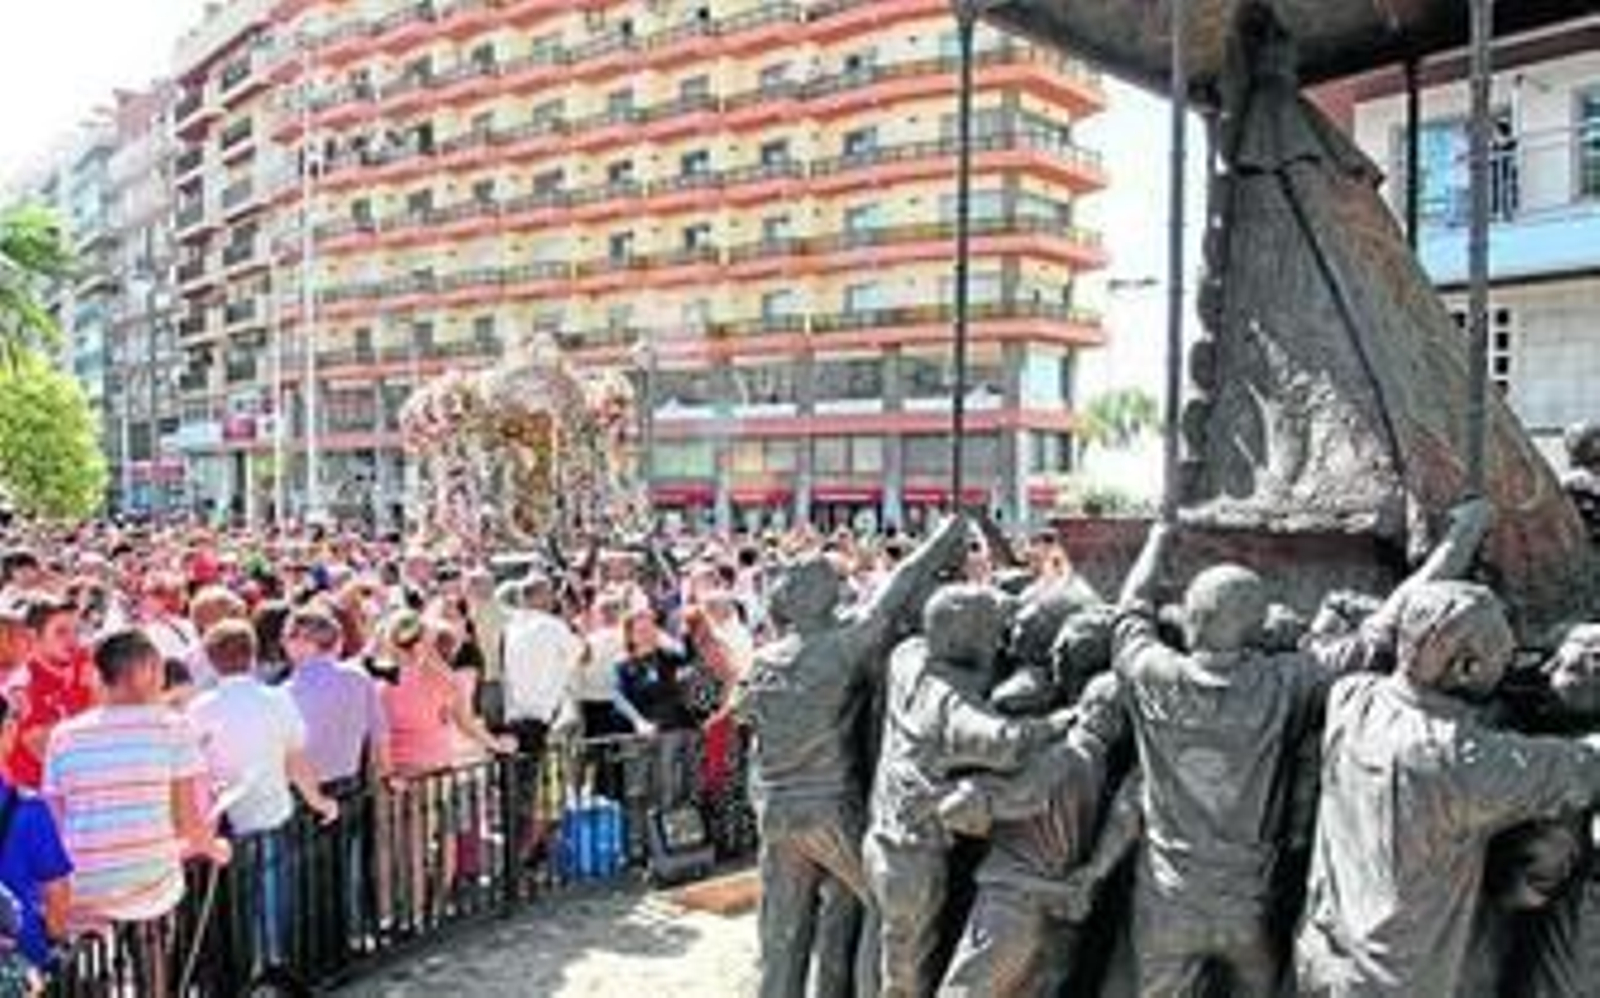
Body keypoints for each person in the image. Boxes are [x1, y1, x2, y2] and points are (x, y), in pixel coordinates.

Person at [1111, 499, 1493, 998]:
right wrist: (1457, 541)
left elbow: (1130, 606)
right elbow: (1391, 621)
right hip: (1248, 907)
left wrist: (1158, 538)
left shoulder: (1150, 674)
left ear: (1188, 619)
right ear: (1255, 627)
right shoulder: (1285, 683)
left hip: (1165, 905)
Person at [1295, 583, 1600, 997]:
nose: (1523, 668)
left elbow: (1386, 632)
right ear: (1466, 668)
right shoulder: (1459, 761)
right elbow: (1582, 767)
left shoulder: (1353, 698)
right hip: (1396, 983)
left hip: (1322, 955)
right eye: (1504, 658)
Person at [741, 514, 969, 998]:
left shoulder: (763, 661)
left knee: (782, 934)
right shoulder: (840, 648)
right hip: (829, 808)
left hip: (776, 812)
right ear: (823, 598)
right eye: (836, 585)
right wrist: (942, 539)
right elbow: (897, 589)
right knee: (883, 906)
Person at [42, 629, 228, 996]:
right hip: (148, 881)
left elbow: (56, 819)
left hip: (83, 883)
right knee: (153, 951)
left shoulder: (63, 734)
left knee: (92, 967)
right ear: (152, 670)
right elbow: (187, 822)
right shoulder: (172, 727)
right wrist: (214, 848)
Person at [188, 620, 337, 972]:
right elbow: (296, 760)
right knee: (270, 900)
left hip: (224, 823)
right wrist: (319, 802)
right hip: (269, 813)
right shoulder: (276, 700)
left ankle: (244, 974)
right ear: (252, 655)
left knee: (234, 906)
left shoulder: (199, 708)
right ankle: (269, 970)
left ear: (211, 660)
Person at [0, 695, 71, 974]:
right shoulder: (29, 807)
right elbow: (58, 893)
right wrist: (56, 942)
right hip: (20, 960)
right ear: (7, 733)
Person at [7, 597, 96, 790]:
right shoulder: (24, 685)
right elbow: (48, 752)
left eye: (78, 631)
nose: (73, 640)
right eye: (61, 632)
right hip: (34, 801)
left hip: (73, 796)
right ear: (33, 636)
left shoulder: (82, 662)